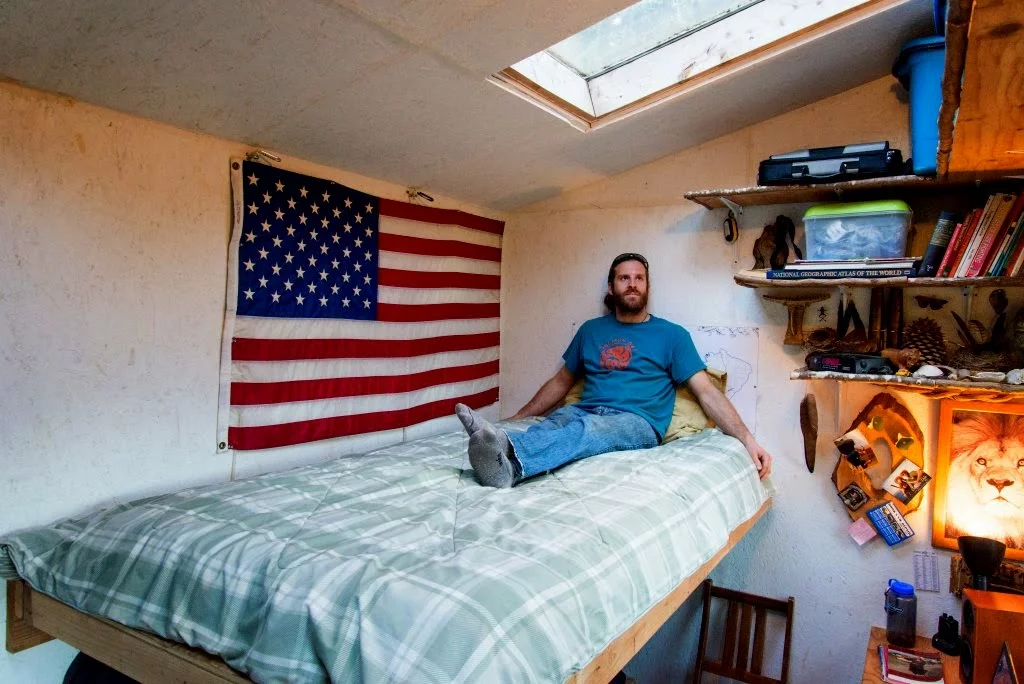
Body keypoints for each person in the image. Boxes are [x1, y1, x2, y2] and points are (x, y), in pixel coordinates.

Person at [455, 252, 773, 488]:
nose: (632, 284)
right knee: (550, 426)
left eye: (639, 278)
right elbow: (561, 381)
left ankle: (504, 453)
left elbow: (706, 391)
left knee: (588, 432)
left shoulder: (672, 336)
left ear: (647, 286)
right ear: (612, 287)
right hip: (584, 410)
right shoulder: (591, 331)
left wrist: (748, 439)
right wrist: (516, 419)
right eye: (624, 278)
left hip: (637, 422)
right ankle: (502, 450)